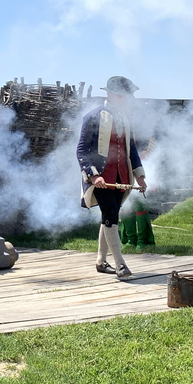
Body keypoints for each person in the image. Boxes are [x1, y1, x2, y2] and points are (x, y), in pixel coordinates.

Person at [76, 76, 147, 278]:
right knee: (110, 216)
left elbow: (131, 150)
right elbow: (81, 150)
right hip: (102, 178)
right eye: (122, 94)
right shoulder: (92, 117)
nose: (126, 98)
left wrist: (139, 176)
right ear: (110, 94)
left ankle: (100, 261)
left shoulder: (124, 118)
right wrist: (93, 175)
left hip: (121, 177)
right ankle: (121, 264)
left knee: (110, 216)